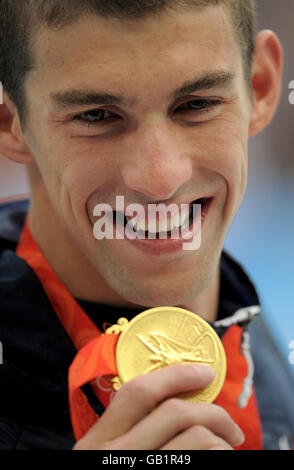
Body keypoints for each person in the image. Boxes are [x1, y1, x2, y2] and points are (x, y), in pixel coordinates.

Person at [0, 0, 293, 451]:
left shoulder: (256, 331)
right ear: (8, 122)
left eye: (197, 104)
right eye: (96, 115)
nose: (160, 179)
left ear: (261, 86)